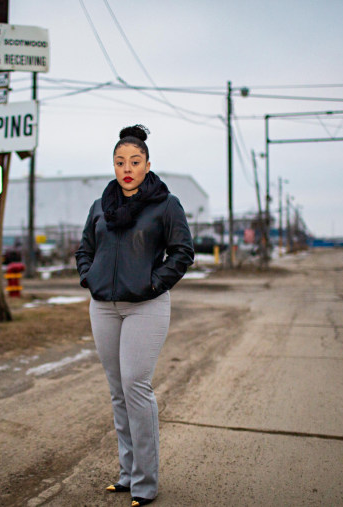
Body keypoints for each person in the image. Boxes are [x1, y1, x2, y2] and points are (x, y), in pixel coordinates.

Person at [76, 124, 195, 506]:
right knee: (117, 392)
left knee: (135, 387)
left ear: (147, 165)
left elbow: (182, 253)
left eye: (134, 161)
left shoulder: (165, 204)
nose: (127, 168)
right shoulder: (100, 206)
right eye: (120, 161)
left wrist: (153, 284)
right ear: (113, 165)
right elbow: (85, 249)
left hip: (145, 306)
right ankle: (127, 474)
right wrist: (88, 276)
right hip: (104, 308)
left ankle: (146, 483)